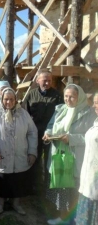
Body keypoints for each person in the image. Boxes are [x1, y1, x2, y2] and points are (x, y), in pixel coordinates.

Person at [43, 84, 96, 225]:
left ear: (80, 97)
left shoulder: (89, 113)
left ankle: (75, 219)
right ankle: (63, 218)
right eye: (66, 96)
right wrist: (47, 134)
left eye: (72, 96)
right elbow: (50, 126)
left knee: (74, 190)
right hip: (59, 157)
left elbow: (91, 137)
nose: (68, 99)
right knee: (61, 189)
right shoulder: (60, 110)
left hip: (75, 159)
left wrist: (71, 138)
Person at [0, 87, 38, 215]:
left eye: (11, 99)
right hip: (0, 155)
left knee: (18, 180)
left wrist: (32, 152)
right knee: (2, 180)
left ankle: (16, 203)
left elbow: (32, 132)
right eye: (6, 99)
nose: (9, 102)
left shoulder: (23, 114)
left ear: (15, 100)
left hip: (20, 154)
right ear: (1, 99)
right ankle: (0, 203)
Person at [22, 69, 63, 192]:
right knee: (34, 159)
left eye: (49, 81)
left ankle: (48, 187)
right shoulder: (31, 95)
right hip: (35, 134)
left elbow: (60, 116)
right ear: (37, 80)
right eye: (44, 80)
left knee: (50, 161)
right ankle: (33, 186)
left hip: (51, 135)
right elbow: (26, 115)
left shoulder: (57, 95)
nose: (47, 83)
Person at [75, 93, 98, 225]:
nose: (94, 105)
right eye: (94, 102)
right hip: (88, 178)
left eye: (97, 102)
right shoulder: (95, 122)